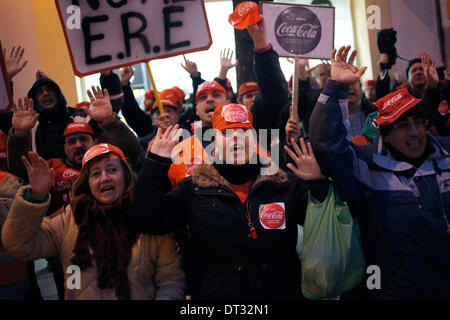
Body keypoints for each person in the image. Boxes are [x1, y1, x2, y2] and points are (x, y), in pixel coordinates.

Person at [131, 102, 329, 300]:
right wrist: (155, 163)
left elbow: (323, 225)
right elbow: (147, 220)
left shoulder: (283, 183)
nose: (236, 137)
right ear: (212, 143)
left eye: (244, 131)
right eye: (225, 132)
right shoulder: (193, 190)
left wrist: (318, 183)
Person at [310, 45, 450, 299]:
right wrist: (335, 88)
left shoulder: (446, 154)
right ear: (384, 133)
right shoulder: (366, 166)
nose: (416, 132)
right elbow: (328, 144)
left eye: (419, 122)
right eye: (403, 126)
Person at [1, 144, 185, 300]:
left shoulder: (146, 218)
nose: (105, 178)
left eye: (112, 170)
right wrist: (35, 196)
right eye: (96, 174)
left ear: (126, 176)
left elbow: (170, 279)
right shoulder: (69, 219)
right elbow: (19, 244)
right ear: (86, 183)